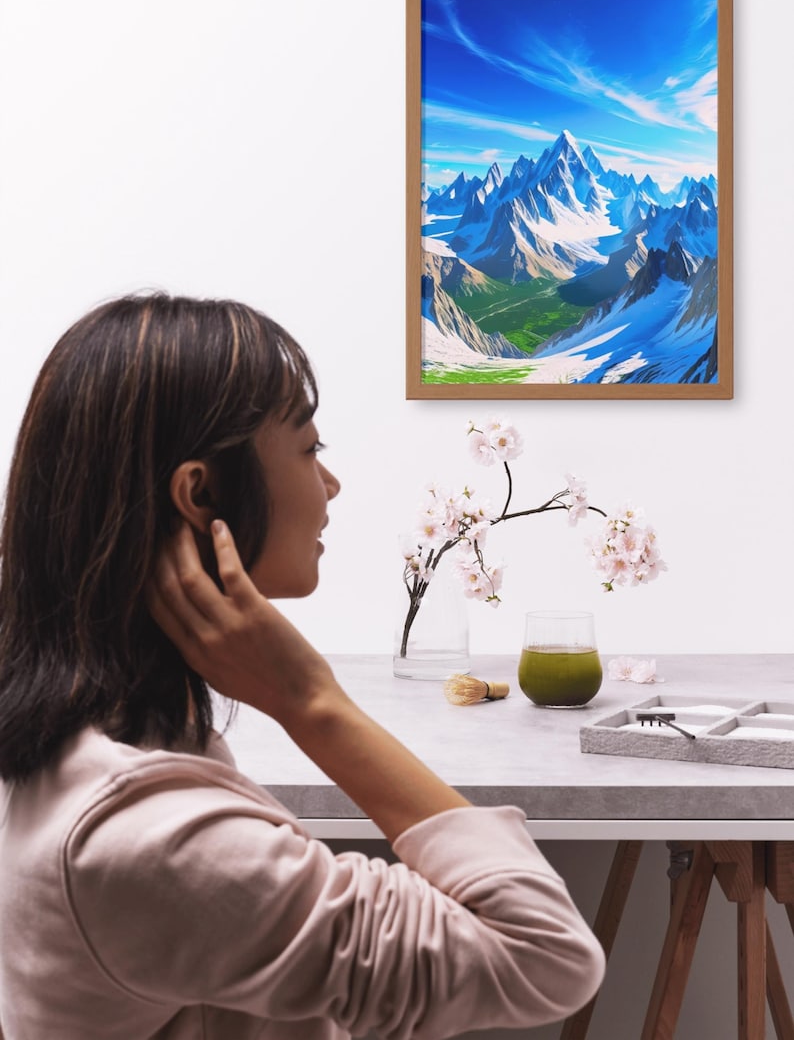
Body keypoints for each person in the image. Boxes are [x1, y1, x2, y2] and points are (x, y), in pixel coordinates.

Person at [0, 292, 604, 1039]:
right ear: (200, 492)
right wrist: (312, 700)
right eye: (310, 449)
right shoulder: (146, 838)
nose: (331, 484)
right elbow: (545, 956)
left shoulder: (81, 743)